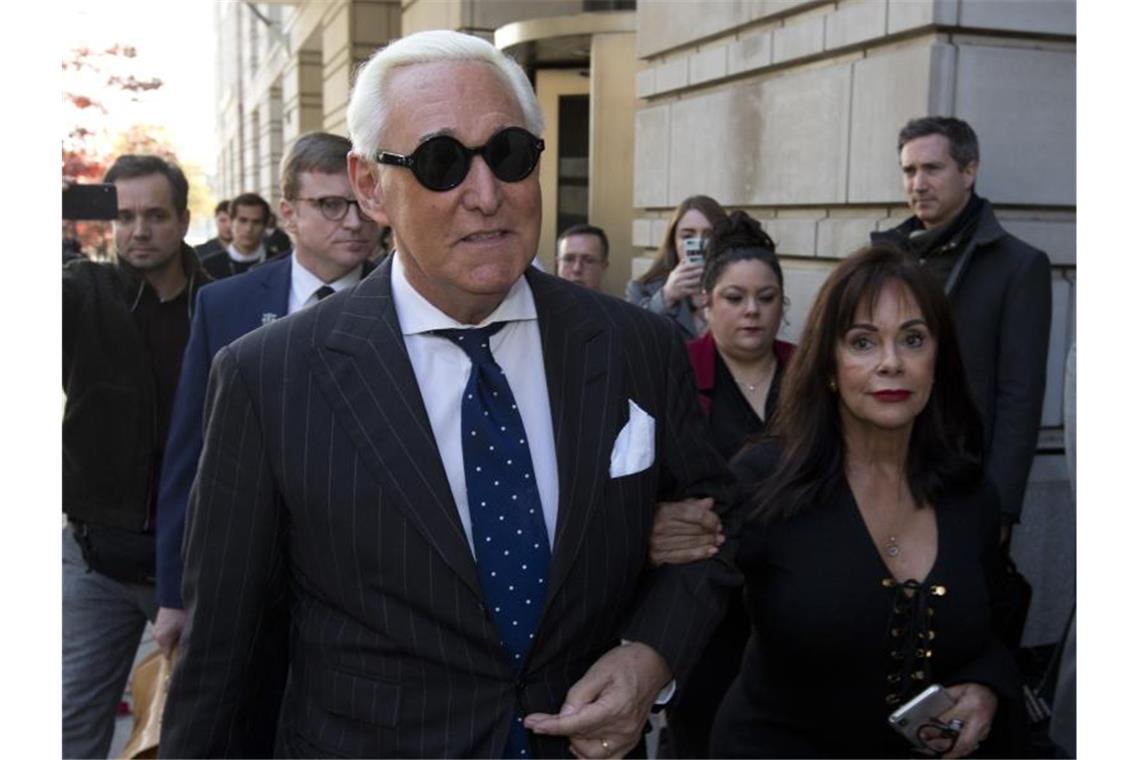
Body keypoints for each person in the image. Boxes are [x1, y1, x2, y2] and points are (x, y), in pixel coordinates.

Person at [160, 30, 737, 759]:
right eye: (439, 162)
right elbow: (222, 666)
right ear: (369, 185)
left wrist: (652, 654)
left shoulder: (634, 348)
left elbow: (714, 536)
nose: (486, 195)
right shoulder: (271, 378)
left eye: (509, 155)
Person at [704, 244, 1026, 758]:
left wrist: (987, 687)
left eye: (913, 340)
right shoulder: (764, 482)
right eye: (863, 342)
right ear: (829, 363)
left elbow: (987, 633)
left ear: (937, 361)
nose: (891, 363)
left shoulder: (971, 496)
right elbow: (690, 622)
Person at [152, 133, 380, 754]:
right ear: (289, 213)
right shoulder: (224, 304)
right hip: (245, 576)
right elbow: (188, 453)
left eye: (364, 201)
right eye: (331, 205)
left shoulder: (403, 301)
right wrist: (173, 593)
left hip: (363, 585)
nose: (354, 221)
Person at [62, 154, 211, 760]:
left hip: (194, 563)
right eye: (123, 216)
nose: (139, 230)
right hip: (97, 558)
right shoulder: (80, 293)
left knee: (191, 723)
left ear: (182, 219)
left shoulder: (219, 304)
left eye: (155, 214)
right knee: (73, 718)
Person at [651, 210, 795, 758]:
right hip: (707, 600)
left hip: (790, 595)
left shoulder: (810, 377)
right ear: (705, 302)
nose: (752, 311)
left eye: (766, 297)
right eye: (735, 298)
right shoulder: (677, 372)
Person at [872, 117, 1051, 545]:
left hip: (962, 477)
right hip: (884, 468)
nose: (917, 183)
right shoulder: (882, 259)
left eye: (932, 169)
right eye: (909, 171)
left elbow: (1020, 396)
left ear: (969, 172)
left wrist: (1002, 504)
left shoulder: (1019, 266)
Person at [626, 195, 727, 339]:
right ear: (673, 242)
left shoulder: (738, 286)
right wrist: (666, 296)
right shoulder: (641, 289)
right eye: (687, 236)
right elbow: (630, 336)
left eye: (708, 236)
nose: (698, 244)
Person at [200, 192, 271, 279]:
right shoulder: (208, 267)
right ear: (231, 222)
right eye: (243, 220)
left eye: (256, 222)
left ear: (264, 225)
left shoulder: (279, 262)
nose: (248, 229)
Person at [555, 223, 609, 291]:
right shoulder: (539, 301)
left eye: (588, 261)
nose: (577, 269)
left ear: (604, 267)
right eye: (569, 259)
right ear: (558, 264)